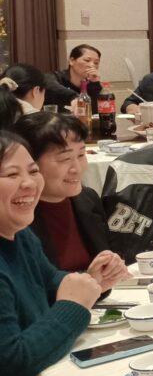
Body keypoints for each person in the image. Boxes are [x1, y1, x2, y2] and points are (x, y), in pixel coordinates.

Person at [0, 130, 129, 376]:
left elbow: (50, 282)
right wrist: (73, 307)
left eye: (32, 171)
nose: (28, 184)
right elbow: (9, 365)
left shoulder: (18, 235)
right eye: (11, 175)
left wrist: (90, 281)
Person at [16, 112, 115, 269]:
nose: (77, 168)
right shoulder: (15, 216)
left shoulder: (87, 199)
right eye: (65, 159)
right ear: (30, 164)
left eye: (81, 155)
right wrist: (88, 279)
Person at [46, 44, 104, 110]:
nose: (92, 65)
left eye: (96, 63)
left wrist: (95, 84)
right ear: (71, 61)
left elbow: (95, 111)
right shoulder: (55, 77)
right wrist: (74, 97)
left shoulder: (91, 85)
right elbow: (48, 85)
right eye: (87, 60)